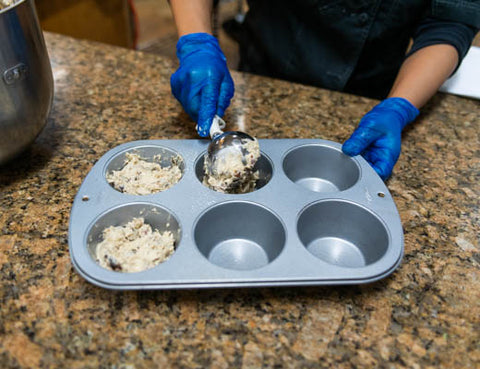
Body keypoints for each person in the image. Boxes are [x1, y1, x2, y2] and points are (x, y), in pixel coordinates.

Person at [168, 0, 479, 180]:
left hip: (374, 86)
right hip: (268, 60)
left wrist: (400, 106)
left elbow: (450, 20)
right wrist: (196, 40)